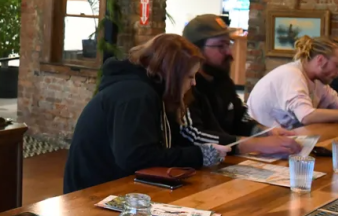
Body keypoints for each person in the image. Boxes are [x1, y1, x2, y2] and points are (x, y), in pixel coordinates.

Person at [63, 34, 230, 194]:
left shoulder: (149, 92)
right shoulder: (136, 95)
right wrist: (198, 155)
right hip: (93, 192)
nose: (193, 83)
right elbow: (135, 157)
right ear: (172, 74)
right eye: (190, 76)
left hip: (113, 186)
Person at [180, 15, 302, 157]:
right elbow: (194, 136)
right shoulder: (185, 86)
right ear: (196, 50)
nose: (229, 52)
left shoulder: (222, 80)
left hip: (224, 161)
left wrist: (266, 132)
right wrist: (255, 144)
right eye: (220, 46)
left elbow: (240, 118)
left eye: (229, 44)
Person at [247, 36, 338, 128]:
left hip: (284, 139)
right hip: (260, 144)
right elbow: (307, 116)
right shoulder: (292, 75)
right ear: (320, 60)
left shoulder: (318, 80)